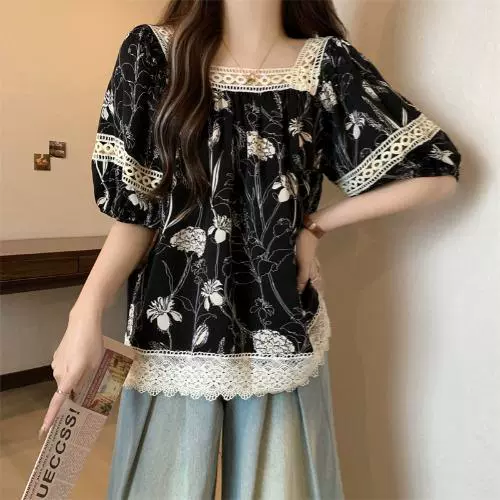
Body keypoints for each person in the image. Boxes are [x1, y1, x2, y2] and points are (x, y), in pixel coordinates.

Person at [42, 0, 461, 498]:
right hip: (172, 335)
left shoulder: (326, 66)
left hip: (279, 335)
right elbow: (137, 214)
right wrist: (84, 314)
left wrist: (316, 227)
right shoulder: (154, 55)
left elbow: (435, 170)